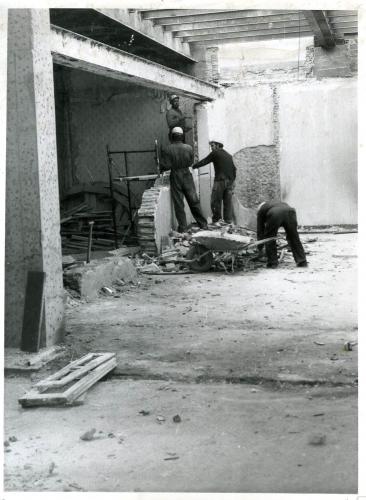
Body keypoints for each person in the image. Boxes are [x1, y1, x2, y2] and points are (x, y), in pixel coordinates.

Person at [160, 127, 208, 233]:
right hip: (187, 174)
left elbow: (166, 166)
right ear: (182, 136)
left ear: (172, 136)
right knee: (194, 200)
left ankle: (183, 228)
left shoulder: (167, 149)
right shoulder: (189, 148)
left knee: (179, 203)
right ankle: (203, 224)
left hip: (176, 175)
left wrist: (160, 164)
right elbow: (191, 162)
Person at [191, 140, 236, 224]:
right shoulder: (229, 155)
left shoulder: (215, 153)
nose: (211, 148)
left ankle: (216, 219)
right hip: (230, 182)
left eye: (212, 145)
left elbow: (205, 161)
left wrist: (194, 166)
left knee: (215, 201)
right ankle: (228, 221)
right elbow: (234, 169)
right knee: (228, 203)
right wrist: (232, 182)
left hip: (220, 180)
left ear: (218, 145)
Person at [256, 201, 308, 269]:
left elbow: (260, 229)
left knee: (269, 238)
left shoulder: (260, 211)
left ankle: (272, 263)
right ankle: (302, 261)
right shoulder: (277, 203)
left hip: (275, 213)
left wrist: (260, 247)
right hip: (291, 211)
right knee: (293, 237)